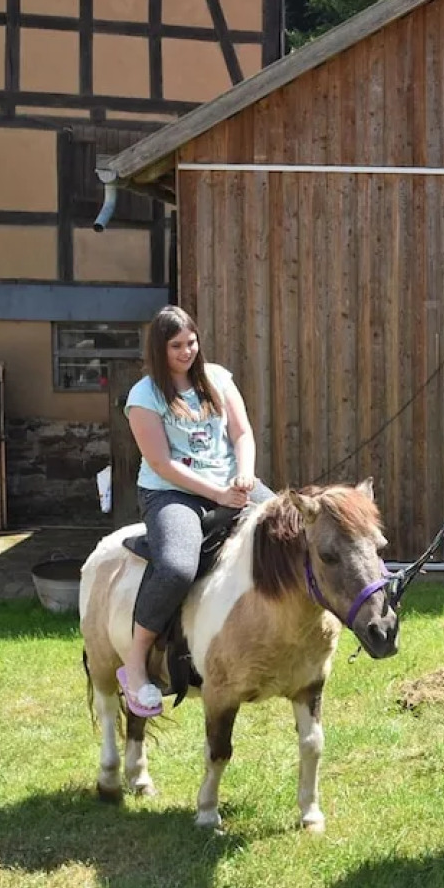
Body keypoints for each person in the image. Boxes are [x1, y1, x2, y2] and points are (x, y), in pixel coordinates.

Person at [118, 305, 273, 717]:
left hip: (231, 484)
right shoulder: (144, 396)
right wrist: (218, 495)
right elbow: (162, 464)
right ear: (159, 349)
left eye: (191, 342)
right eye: (176, 346)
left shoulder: (218, 378)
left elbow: (242, 433)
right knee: (177, 568)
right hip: (172, 494)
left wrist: (244, 474)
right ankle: (135, 663)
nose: (187, 352)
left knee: (291, 531)